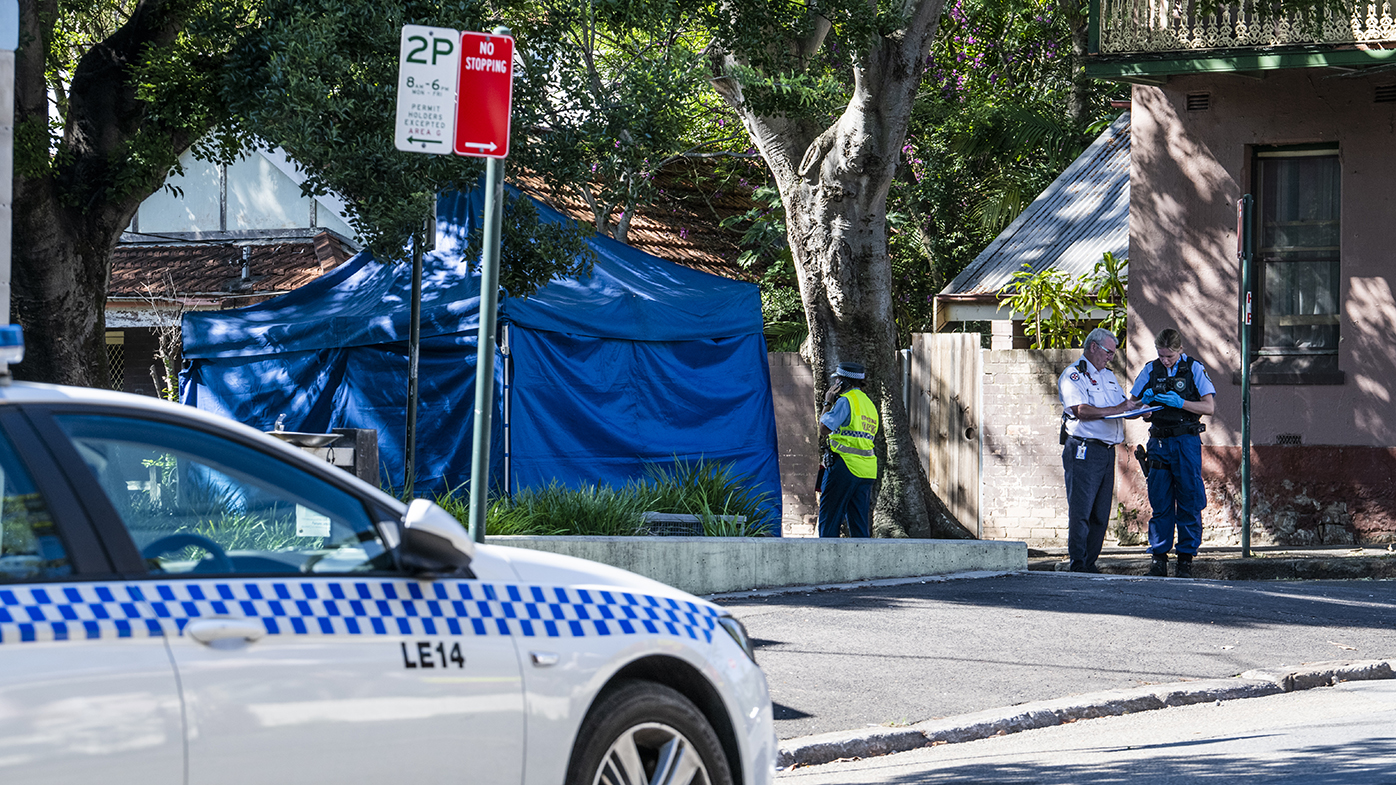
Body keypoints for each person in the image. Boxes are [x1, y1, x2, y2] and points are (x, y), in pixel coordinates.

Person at [1129, 327, 1215, 579]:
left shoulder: (1194, 369)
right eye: (1162, 355)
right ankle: (1158, 558)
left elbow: (1209, 406)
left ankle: (1185, 560)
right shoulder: (1150, 369)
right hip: (1159, 442)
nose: (1165, 360)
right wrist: (1143, 409)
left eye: (1170, 356)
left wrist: (1181, 403)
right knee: (1160, 501)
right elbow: (1132, 403)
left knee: (1189, 499)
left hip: (1186, 440)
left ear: (1180, 350)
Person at [1058, 328, 1137, 572]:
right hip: (1084, 449)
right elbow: (1080, 411)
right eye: (1108, 352)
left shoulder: (1109, 377)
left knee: (1101, 512)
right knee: (1082, 509)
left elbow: (1123, 405)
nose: (1111, 357)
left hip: (1107, 450)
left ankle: (1091, 561)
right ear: (1093, 347)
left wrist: (1141, 407)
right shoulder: (1074, 376)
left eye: (1113, 353)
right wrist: (1117, 409)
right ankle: (1079, 562)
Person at [817, 361, 879, 538]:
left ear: (843, 382)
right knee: (859, 524)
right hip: (867, 470)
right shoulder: (869, 405)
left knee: (829, 517)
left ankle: (825, 560)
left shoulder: (846, 401)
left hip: (845, 466)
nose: (834, 385)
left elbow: (823, 428)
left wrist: (827, 402)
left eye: (837, 381)